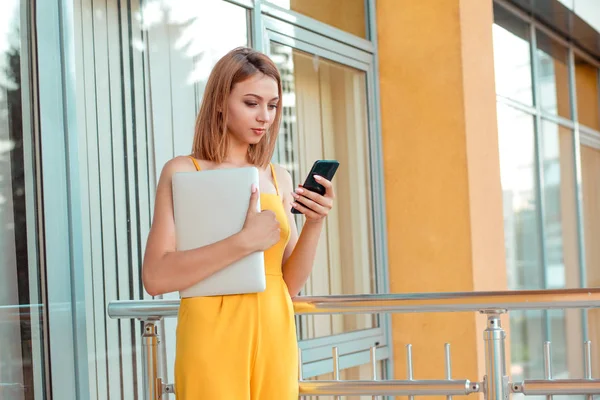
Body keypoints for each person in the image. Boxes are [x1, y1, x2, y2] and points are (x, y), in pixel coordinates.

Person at [141, 47, 336, 399]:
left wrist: (315, 223)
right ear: (220, 102)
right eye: (251, 103)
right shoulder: (184, 171)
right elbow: (156, 277)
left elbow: (288, 283)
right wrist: (245, 241)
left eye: (273, 105)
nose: (265, 117)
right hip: (210, 337)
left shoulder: (280, 177)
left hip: (275, 333)